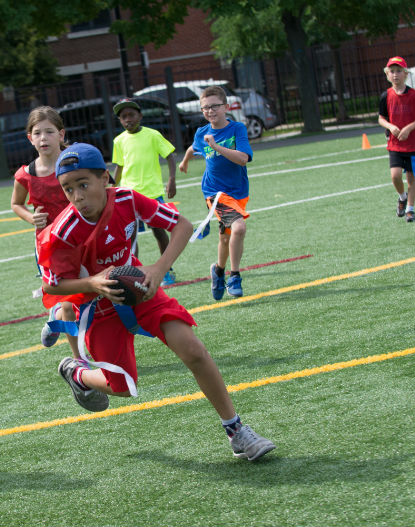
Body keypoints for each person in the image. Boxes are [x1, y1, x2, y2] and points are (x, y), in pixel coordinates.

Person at [38, 143, 276, 461]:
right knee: (122, 387)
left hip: (141, 288)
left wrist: (158, 268)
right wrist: (92, 283)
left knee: (193, 349)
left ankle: (237, 431)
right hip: (98, 308)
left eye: (83, 184)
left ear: (105, 179)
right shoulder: (64, 230)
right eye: (68, 189)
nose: (77, 196)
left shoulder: (126, 199)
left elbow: (183, 225)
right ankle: (76, 372)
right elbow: (52, 286)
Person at [10, 106, 79, 357]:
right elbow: (16, 204)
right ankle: (77, 357)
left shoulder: (75, 162)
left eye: (49, 132)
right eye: (37, 133)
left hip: (83, 238)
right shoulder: (26, 174)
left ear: (61, 135)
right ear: (30, 138)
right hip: (50, 245)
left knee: (92, 295)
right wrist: (31, 217)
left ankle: (57, 315)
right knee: (68, 299)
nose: (43, 138)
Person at [179, 86, 253, 300]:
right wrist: (184, 161)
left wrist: (217, 146)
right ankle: (235, 276)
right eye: (205, 108)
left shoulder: (237, 129)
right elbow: (193, 148)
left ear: (226, 107)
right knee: (238, 228)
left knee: (225, 237)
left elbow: (243, 159)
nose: (210, 111)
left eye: (214, 106)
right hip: (215, 193)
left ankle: (218, 271)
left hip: (238, 191)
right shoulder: (202, 132)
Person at [112, 98, 178, 286]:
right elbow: (119, 167)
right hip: (128, 197)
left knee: (159, 231)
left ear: (140, 116)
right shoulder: (119, 141)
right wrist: (112, 189)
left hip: (152, 194)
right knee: (130, 237)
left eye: (131, 115)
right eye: (123, 117)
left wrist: (172, 179)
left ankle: (166, 269)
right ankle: (132, 274)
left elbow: (170, 156)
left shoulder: (152, 135)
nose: (128, 120)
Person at [377, 56, 415, 222]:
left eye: (399, 71)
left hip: (412, 144)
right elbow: (381, 118)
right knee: (395, 176)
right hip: (395, 144)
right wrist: (391, 127)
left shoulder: (414, 95)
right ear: (387, 74)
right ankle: (402, 196)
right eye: (392, 71)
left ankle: (410, 210)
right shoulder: (386, 96)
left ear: (406, 74)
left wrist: (408, 128)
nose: (395, 75)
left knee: (412, 178)